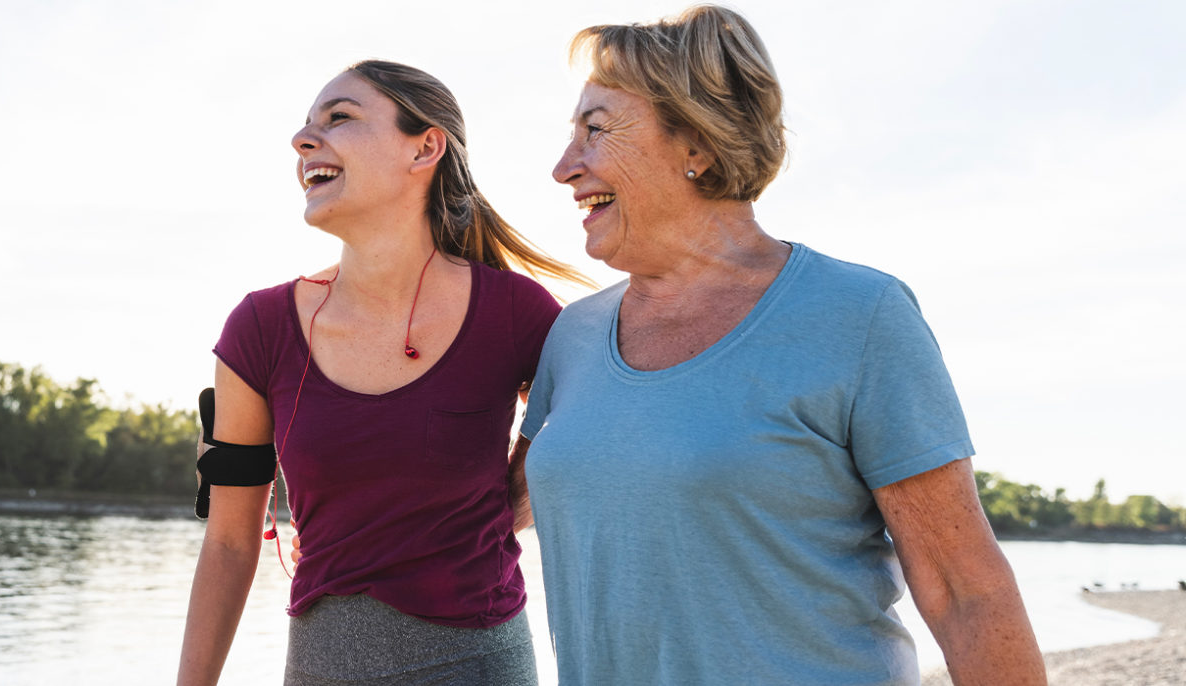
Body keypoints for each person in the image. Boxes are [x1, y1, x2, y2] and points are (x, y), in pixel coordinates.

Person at [518, 6, 1046, 685]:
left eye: (595, 130)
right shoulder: (572, 335)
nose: (565, 168)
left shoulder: (858, 314)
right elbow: (479, 517)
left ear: (696, 145)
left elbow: (964, 588)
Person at [175, 60, 588, 686]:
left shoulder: (516, 314)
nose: (303, 139)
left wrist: (504, 508)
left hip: (481, 666)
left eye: (339, 118)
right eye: (306, 125)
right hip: (320, 667)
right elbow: (231, 544)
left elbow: (590, 449)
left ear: (425, 148)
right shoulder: (258, 329)